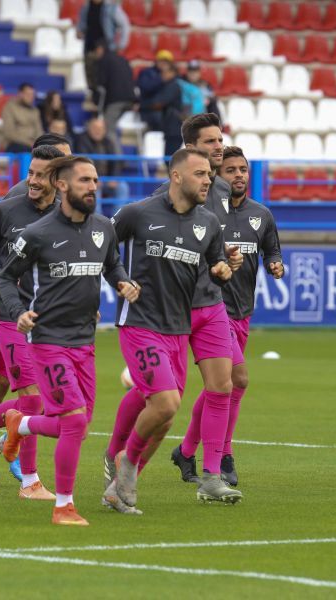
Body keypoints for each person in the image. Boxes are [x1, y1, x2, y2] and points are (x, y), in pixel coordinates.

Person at [105, 114, 243, 499]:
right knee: (163, 401)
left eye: (220, 140)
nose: (217, 148)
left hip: (203, 307)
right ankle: (118, 454)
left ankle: (212, 477)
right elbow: (103, 243)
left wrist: (223, 268)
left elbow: (214, 260)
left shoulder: (218, 200)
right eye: (209, 143)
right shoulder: (148, 207)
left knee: (225, 385)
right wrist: (117, 280)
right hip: (155, 314)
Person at [0, 156, 139, 525]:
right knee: (74, 423)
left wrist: (121, 282)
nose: (93, 186)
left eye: (95, 180)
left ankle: (20, 424)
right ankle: (63, 506)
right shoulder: (38, 233)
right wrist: (18, 313)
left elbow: (112, 266)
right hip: (48, 342)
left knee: (79, 425)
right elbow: (5, 279)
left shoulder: (104, 228)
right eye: (84, 181)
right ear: (61, 185)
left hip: (85, 343)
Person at [0, 145, 67, 501]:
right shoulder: (5, 209)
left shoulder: (68, 213)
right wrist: (5, 281)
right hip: (8, 313)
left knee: (48, 396)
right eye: (30, 173)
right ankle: (24, 478)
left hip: (49, 316)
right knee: (25, 394)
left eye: (40, 175)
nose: (31, 181)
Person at [174, 145, 284, 487]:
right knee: (236, 381)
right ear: (219, 178)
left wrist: (275, 264)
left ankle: (188, 450)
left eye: (243, 170)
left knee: (218, 387)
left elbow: (272, 250)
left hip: (242, 312)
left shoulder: (261, 214)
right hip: (211, 308)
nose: (238, 175)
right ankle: (222, 454)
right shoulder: (207, 215)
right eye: (230, 170)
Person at [77, 0, 130, 103]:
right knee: (92, 82)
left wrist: (121, 45)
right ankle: (96, 104)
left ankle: (105, 106)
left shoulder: (111, 8)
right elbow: (82, 25)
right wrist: (79, 31)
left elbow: (125, 25)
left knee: (104, 81)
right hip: (89, 49)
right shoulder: (86, 7)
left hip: (106, 50)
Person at [92, 40, 136, 150]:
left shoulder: (104, 60)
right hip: (131, 99)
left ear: (100, 49)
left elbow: (101, 84)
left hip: (116, 100)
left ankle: (117, 159)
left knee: (107, 129)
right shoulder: (123, 59)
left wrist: (97, 102)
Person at [2, 133, 72, 201]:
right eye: (62, 159)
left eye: (70, 158)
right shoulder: (20, 194)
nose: (69, 164)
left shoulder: (70, 190)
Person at [75, 116, 128, 200]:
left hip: (107, 179)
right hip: (90, 179)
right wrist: (93, 179)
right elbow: (83, 163)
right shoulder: (82, 140)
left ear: (104, 130)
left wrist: (114, 177)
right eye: (95, 128)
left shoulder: (108, 141)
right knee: (94, 188)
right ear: (89, 128)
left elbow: (116, 161)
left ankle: (118, 213)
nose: (98, 131)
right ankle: (96, 214)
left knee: (122, 187)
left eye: (101, 128)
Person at [140, 62, 184, 159]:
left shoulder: (173, 86)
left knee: (170, 159)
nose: (162, 75)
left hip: (174, 129)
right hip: (171, 128)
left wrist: (141, 106)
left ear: (172, 73)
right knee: (170, 159)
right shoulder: (170, 85)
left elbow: (159, 103)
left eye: (165, 72)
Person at [1, 83, 44, 154]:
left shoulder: (35, 111)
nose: (31, 97)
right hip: (14, 143)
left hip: (33, 144)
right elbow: (9, 133)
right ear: (20, 94)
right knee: (29, 151)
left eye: (32, 95)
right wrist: (29, 143)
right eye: (28, 94)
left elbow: (39, 131)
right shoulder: (10, 107)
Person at [137, 50, 174, 131]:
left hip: (167, 110)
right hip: (150, 109)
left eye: (166, 62)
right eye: (161, 60)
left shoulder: (173, 75)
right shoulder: (147, 72)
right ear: (156, 61)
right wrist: (161, 79)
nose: (164, 63)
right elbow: (145, 88)